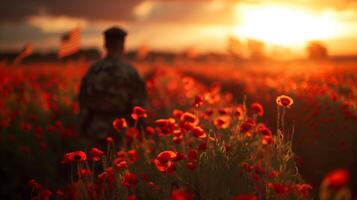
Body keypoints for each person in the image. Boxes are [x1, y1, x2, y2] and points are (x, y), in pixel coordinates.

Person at [79, 26, 147, 145]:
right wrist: (141, 131)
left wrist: (84, 126)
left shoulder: (94, 70)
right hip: (122, 128)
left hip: (96, 127)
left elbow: (83, 101)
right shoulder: (130, 71)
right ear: (123, 45)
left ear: (105, 45)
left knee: (98, 163)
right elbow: (139, 104)